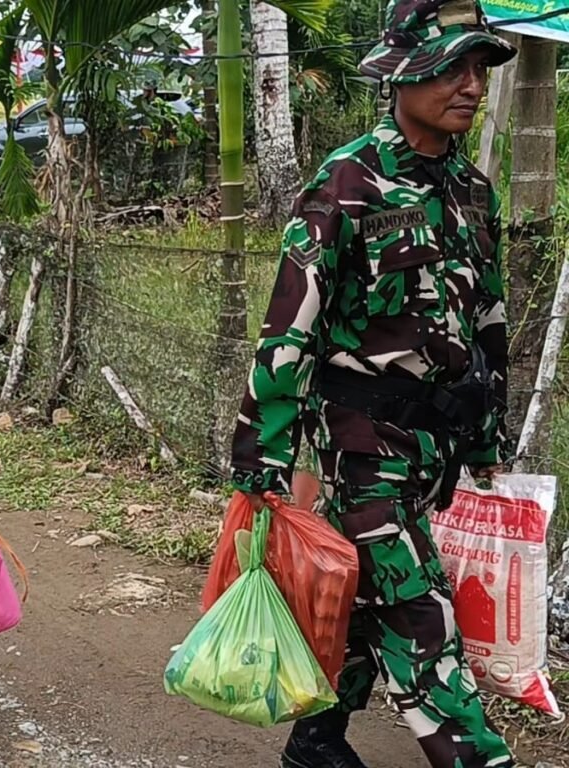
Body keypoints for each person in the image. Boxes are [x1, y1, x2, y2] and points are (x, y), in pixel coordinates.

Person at [230, 1, 520, 766]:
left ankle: (315, 742)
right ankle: (477, 757)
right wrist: (263, 454)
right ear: (405, 70)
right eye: (452, 66)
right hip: (362, 446)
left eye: (479, 68)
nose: (470, 85)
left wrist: (488, 432)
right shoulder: (350, 179)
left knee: (366, 594)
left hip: (435, 445)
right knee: (421, 615)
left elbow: (487, 316)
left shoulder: (472, 192)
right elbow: (292, 320)